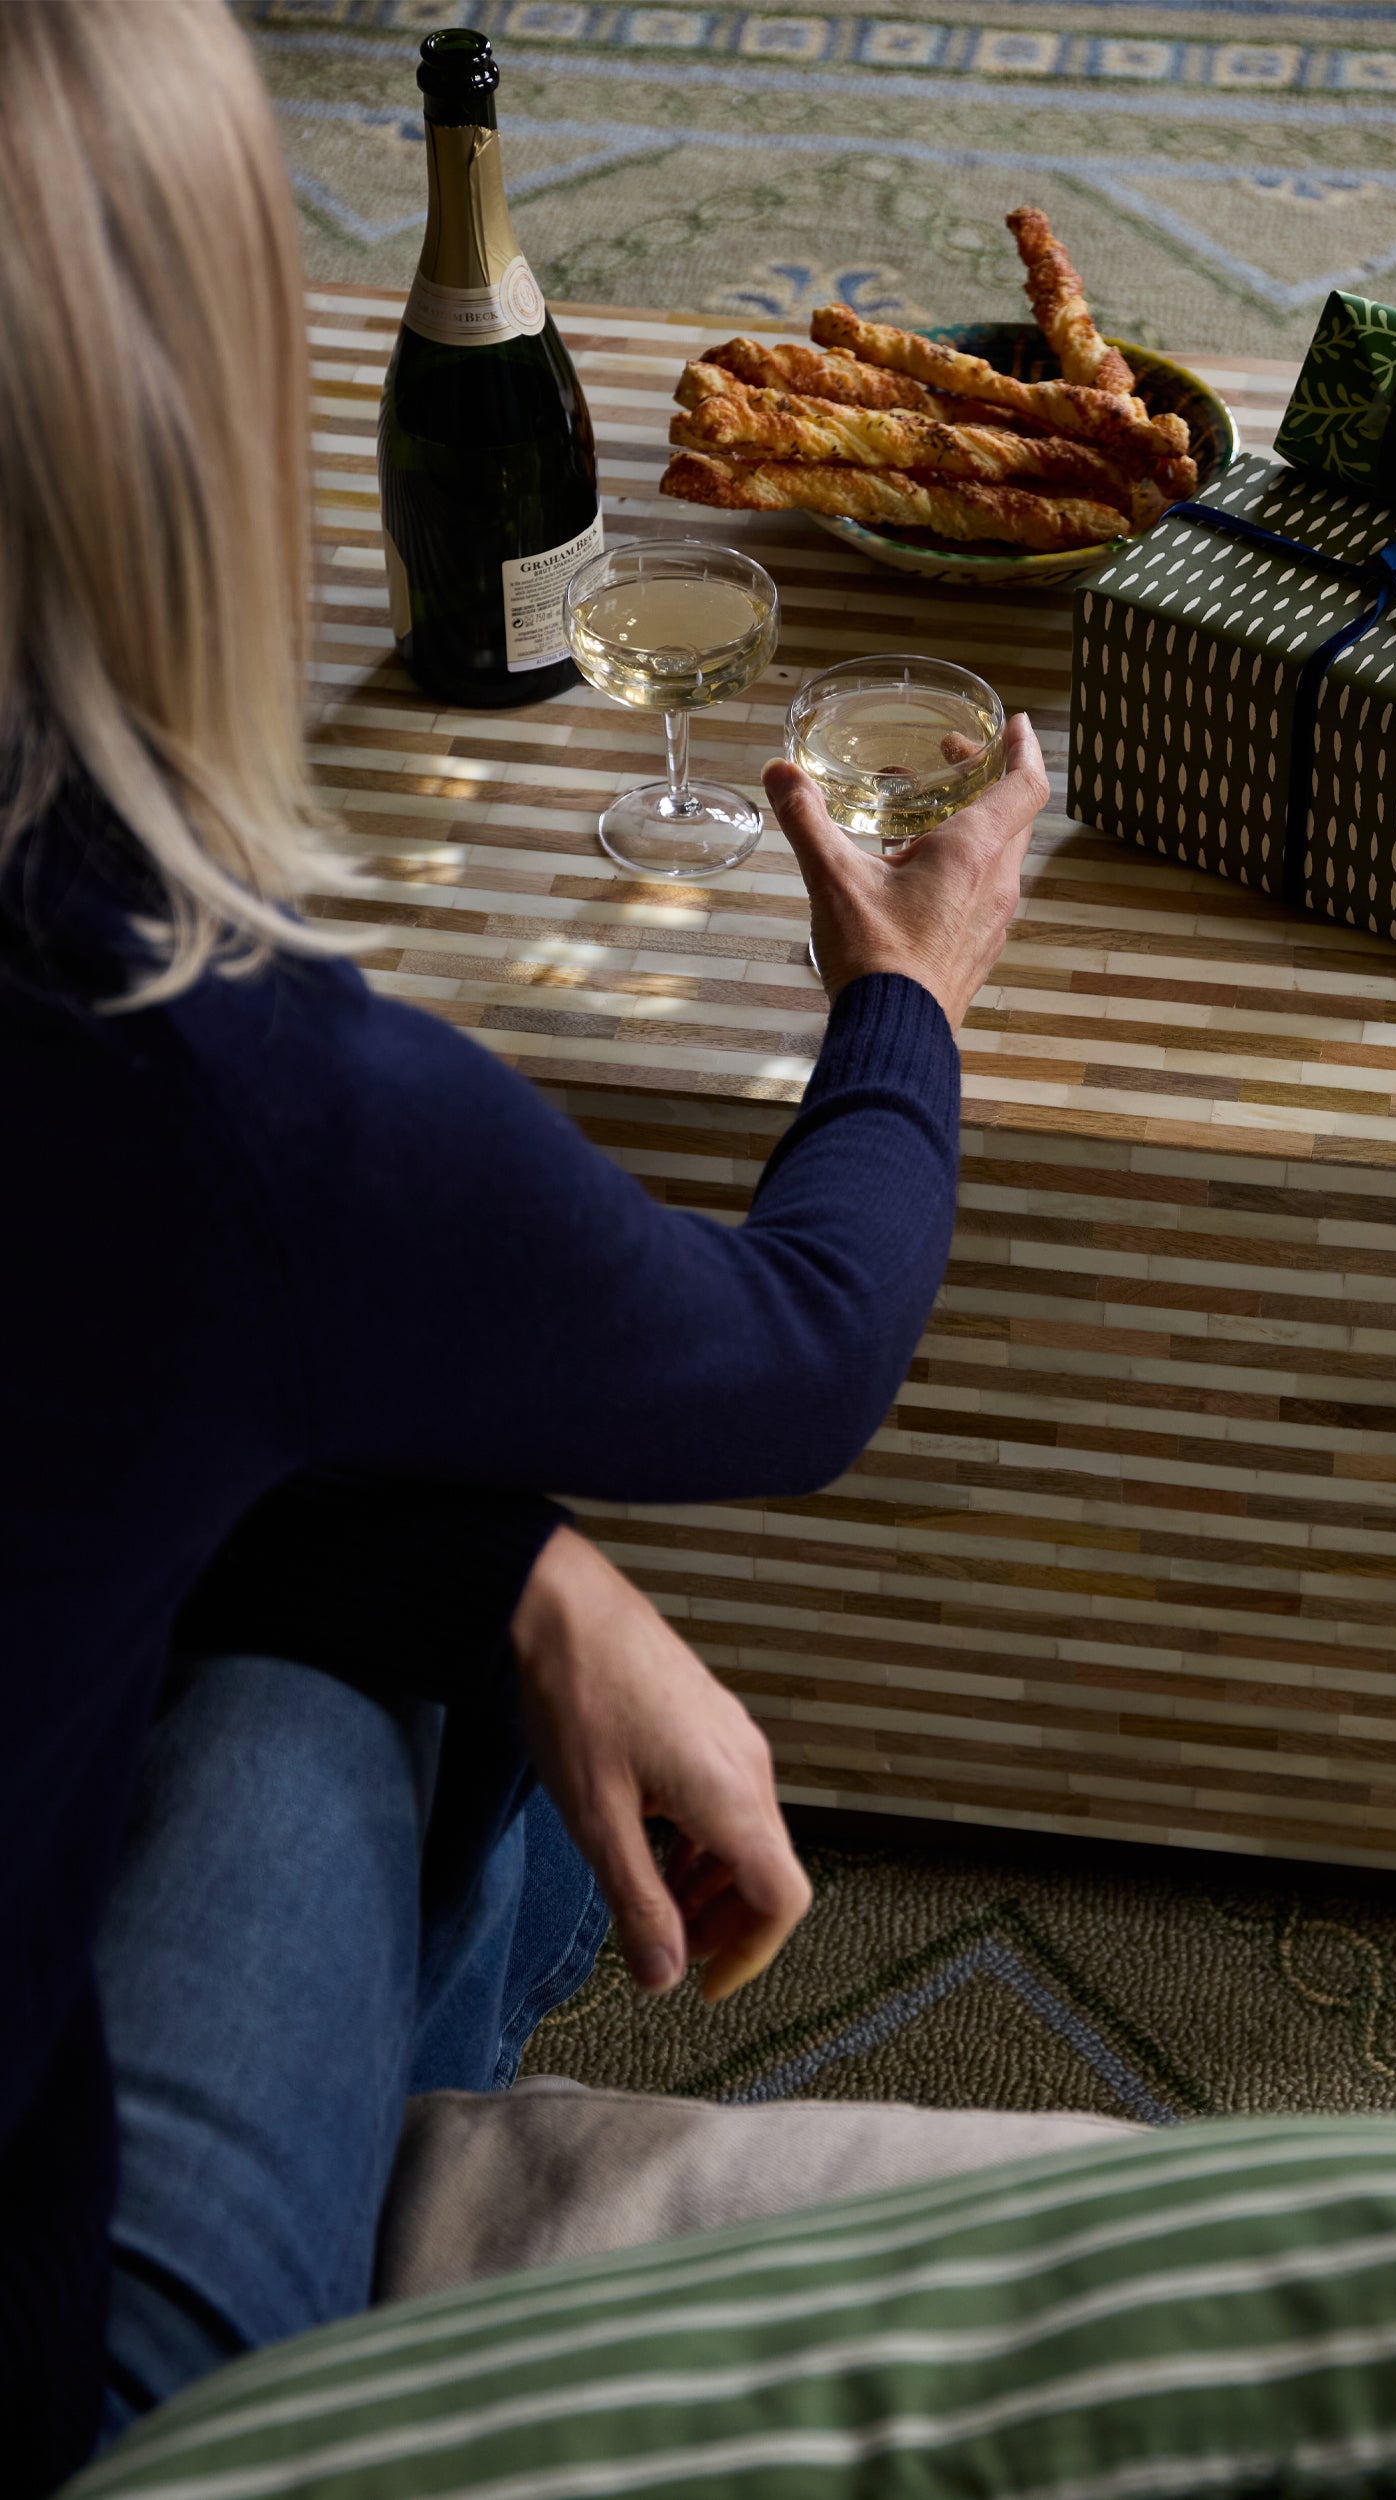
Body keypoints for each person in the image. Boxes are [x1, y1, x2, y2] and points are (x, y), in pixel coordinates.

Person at [0, 3, 1049, 2489]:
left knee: (385, 1514)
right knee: (356, 1632)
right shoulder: (222, 1075)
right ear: (196, 427)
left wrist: (524, 1561)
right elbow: (800, 1350)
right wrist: (906, 994)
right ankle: (400, 2291)